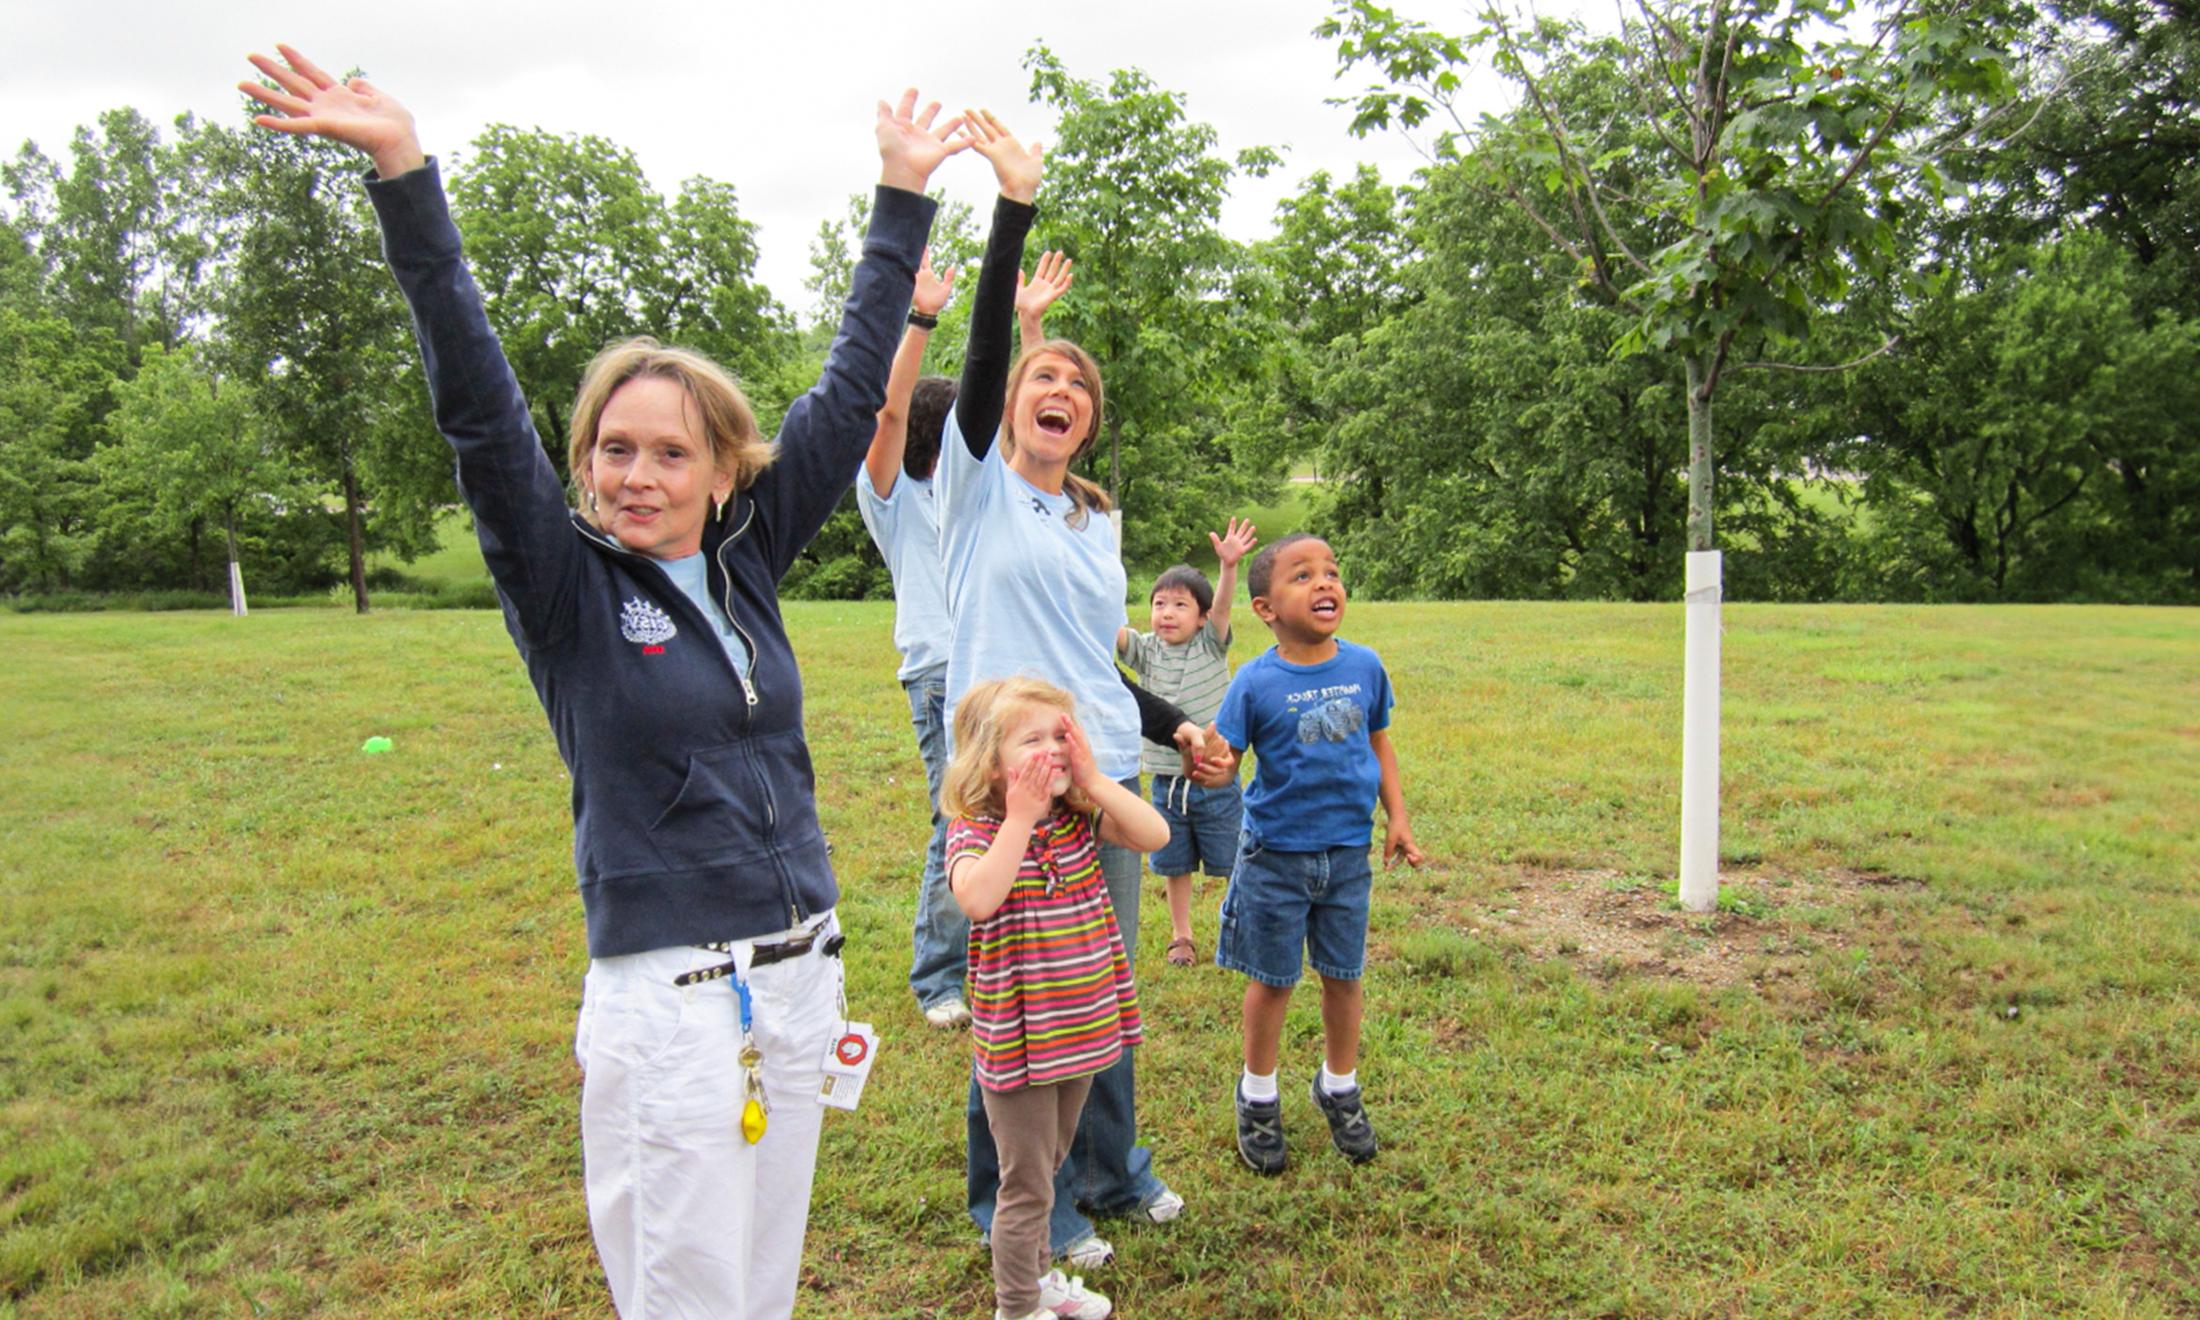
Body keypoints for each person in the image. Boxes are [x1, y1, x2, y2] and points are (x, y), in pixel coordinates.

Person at [238, 45, 961, 1317]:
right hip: (673, 1004)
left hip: (799, 979)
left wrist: (900, 200)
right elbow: (476, 411)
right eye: (609, 449)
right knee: (688, 1297)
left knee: (763, 1282)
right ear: (578, 466)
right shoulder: (566, 591)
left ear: (721, 468)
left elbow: (849, 398)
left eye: (667, 451)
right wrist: (405, 177)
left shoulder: (747, 555)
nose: (635, 473)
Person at [934, 111, 1195, 1263]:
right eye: (1045, 376)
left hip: (1104, 769)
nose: (1062, 390)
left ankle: (1113, 1170)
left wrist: (1177, 724)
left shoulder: (1095, 518)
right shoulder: (976, 479)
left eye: (1079, 386)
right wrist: (1013, 208)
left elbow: (1101, 659)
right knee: (1019, 1001)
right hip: (1013, 778)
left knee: (1098, 986)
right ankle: (1020, 1204)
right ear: (1010, 401)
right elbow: (986, 349)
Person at [941, 678, 1169, 1320]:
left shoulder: (1078, 817)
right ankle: (1017, 1306)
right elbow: (978, 899)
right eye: (1032, 740)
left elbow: (1154, 837)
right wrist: (1018, 818)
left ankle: (1038, 1279)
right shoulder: (976, 830)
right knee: (1025, 1183)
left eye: (1061, 737)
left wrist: (1095, 779)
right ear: (991, 762)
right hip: (1021, 1039)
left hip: (1081, 1027)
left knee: (1053, 1160)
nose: (1053, 752)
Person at [1211, 533, 1425, 1175]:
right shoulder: (1254, 682)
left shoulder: (1364, 666)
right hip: (1274, 857)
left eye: (1331, 572)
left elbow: (1378, 743)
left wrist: (1399, 818)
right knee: (1273, 981)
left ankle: (1339, 1084)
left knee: (1344, 974)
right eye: (1302, 576)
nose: (1325, 583)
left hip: (1347, 855)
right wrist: (1212, 769)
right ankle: (1258, 1095)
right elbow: (1227, 760)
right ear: (1265, 609)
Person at [855, 248, 972, 1029]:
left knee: (1003, 817)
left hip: (996, 670)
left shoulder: (973, 495)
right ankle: (937, 980)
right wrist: (921, 319)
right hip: (937, 675)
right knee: (957, 819)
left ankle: (990, 957)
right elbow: (888, 412)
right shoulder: (893, 494)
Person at [1116, 518, 1258, 968]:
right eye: (1159, 604)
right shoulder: (1144, 649)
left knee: (1233, 859)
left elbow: (1222, 608)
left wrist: (1229, 568)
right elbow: (1111, 630)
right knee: (1173, 863)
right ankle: (1182, 936)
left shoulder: (1209, 644)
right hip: (1165, 783)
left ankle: (1246, 924)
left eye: (1180, 605)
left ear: (1200, 617)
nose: (1168, 613)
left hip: (1215, 781)